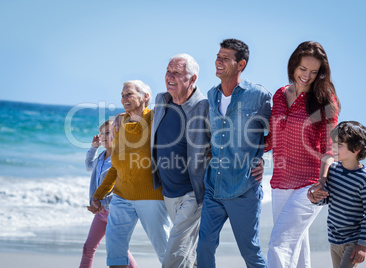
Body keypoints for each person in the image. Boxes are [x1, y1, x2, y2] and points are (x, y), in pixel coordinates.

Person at [264, 41, 340, 267]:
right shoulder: (279, 95)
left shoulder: (324, 100)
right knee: (296, 249)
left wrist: (322, 183)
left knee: (280, 244)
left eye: (314, 72)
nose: (306, 76)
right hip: (280, 182)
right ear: (293, 66)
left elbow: (330, 147)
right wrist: (249, 154)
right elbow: (272, 138)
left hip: (309, 186)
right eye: (303, 69)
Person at [197, 38, 271, 268]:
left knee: (250, 250)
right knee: (204, 246)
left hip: (244, 187)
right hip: (214, 186)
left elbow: (275, 132)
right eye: (218, 57)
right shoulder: (211, 95)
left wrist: (263, 160)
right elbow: (211, 132)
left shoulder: (258, 95)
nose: (218, 62)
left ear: (241, 64)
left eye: (225, 59)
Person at [91, 80, 171, 268]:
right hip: (121, 197)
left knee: (165, 248)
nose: (124, 98)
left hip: (151, 196)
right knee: (115, 249)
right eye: (122, 95)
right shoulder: (120, 124)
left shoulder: (155, 119)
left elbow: (172, 105)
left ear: (145, 97)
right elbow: (117, 165)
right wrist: (99, 194)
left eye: (129, 94)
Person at [151, 53, 210, 268]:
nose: (169, 76)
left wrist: (255, 160)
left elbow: (225, 139)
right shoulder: (161, 100)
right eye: (168, 71)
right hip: (168, 191)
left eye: (177, 73)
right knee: (188, 252)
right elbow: (148, 122)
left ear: (192, 79)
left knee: (175, 253)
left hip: (193, 192)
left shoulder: (204, 106)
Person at [308, 121, 366, 268]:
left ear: (356, 148)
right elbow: (327, 197)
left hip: (353, 241)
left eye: (339, 144)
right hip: (334, 238)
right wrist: (315, 198)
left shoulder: (365, 179)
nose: (333, 148)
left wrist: (363, 245)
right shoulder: (333, 170)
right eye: (333, 143)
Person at [80, 120, 137, 268]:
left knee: (120, 251)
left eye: (108, 133)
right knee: (88, 248)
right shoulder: (100, 157)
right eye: (102, 133)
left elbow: (121, 191)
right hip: (100, 213)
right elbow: (88, 166)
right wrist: (93, 148)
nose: (104, 136)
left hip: (114, 212)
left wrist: (102, 203)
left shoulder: (118, 160)